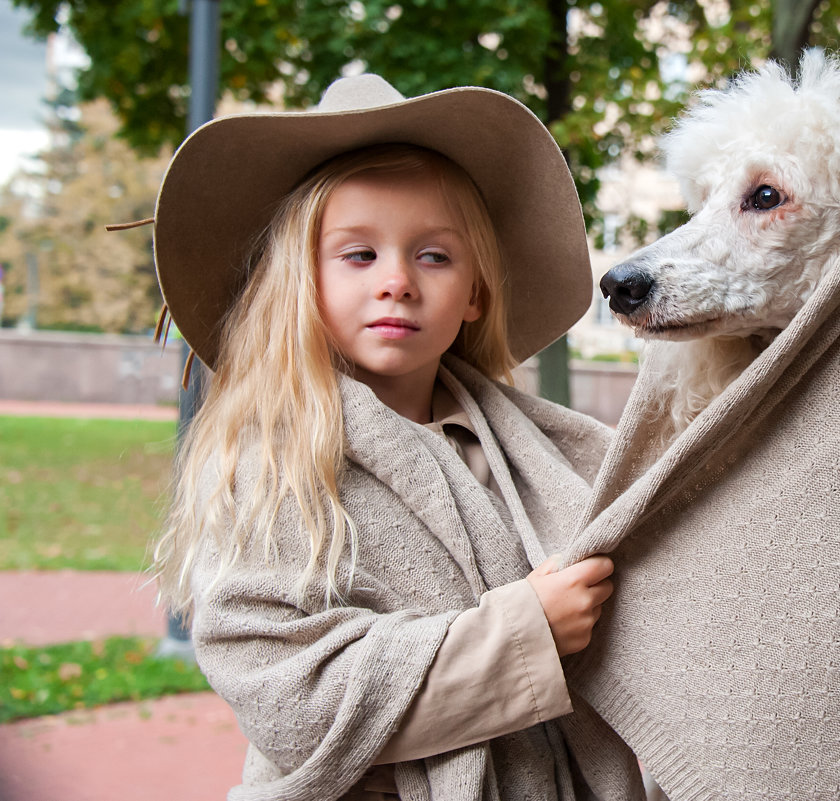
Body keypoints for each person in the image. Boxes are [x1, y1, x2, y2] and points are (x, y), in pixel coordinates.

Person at [145, 74, 646, 800]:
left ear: (475, 291)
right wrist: (522, 632)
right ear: (302, 281)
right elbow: (291, 697)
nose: (398, 282)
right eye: (358, 254)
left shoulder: (536, 450)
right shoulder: (273, 462)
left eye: (434, 256)